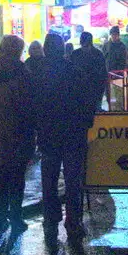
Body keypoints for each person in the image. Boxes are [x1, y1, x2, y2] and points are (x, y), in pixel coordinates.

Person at [33, 32, 92, 240]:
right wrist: (86, 125)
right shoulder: (74, 72)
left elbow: (33, 107)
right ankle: (73, 220)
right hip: (73, 135)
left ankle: (51, 218)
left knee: (49, 180)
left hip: (48, 136)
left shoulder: (38, 74)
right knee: (73, 180)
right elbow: (87, 102)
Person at [0, 34, 35, 233]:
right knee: (16, 178)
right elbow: (27, 104)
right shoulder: (22, 72)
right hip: (18, 132)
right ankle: (15, 218)